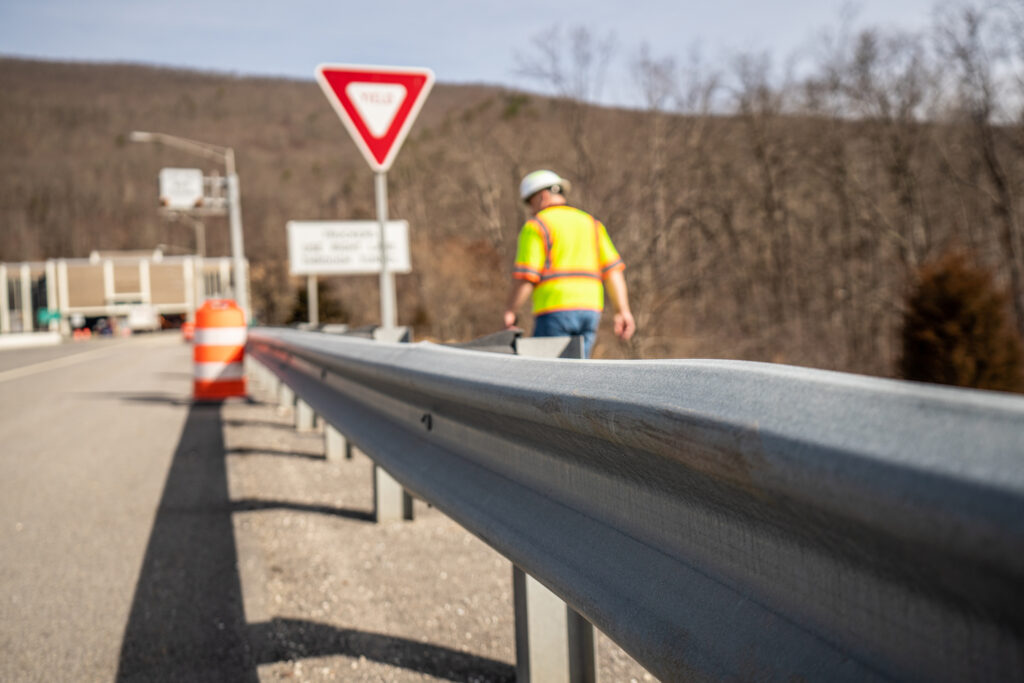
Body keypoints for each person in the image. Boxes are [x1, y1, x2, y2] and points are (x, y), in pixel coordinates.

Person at [503, 169, 635, 357]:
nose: (531, 210)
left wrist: (510, 311)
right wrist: (623, 311)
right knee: (577, 376)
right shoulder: (591, 223)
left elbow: (526, 276)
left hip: (554, 310)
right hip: (591, 310)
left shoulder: (536, 226)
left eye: (530, 203)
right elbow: (613, 271)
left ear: (543, 196)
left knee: (545, 377)